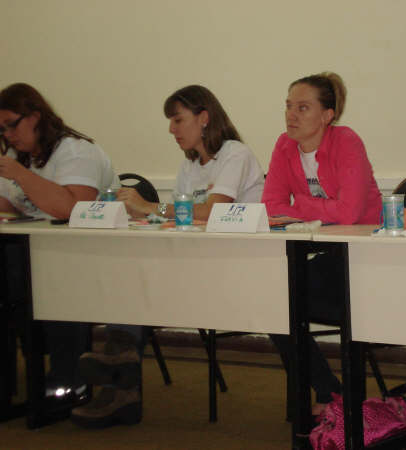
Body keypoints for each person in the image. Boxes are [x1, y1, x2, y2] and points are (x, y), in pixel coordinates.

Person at [71, 84, 264, 428]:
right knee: (128, 276)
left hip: (236, 267)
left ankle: (118, 374)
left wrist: (151, 207)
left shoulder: (235, 154)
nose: (171, 130)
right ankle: (119, 373)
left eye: (178, 120)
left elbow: (212, 211)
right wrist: (140, 214)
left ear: (204, 118)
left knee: (135, 284)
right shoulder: (190, 166)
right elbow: (180, 218)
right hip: (194, 263)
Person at [262, 72, 381, 416]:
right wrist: (316, 209)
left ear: (327, 115)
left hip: (367, 254)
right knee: (273, 301)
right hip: (325, 251)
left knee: (287, 299)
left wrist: (299, 205)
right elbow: (270, 206)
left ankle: (332, 397)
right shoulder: (284, 145)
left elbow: (350, 213)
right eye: (288, 106)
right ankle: (329, 391)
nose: (291, 115)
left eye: (303, 107)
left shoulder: (346, 141)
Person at [0, 82, 116, 411]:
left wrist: (20, 175)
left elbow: (72, 209)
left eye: (11, 125)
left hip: (88, 253)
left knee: (36, 273)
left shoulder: (75, 151)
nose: (8, 135)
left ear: (35, 117)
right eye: (1, 130)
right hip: (36, 250)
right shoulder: (19, 156)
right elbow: (9, 206)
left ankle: (67, 380)